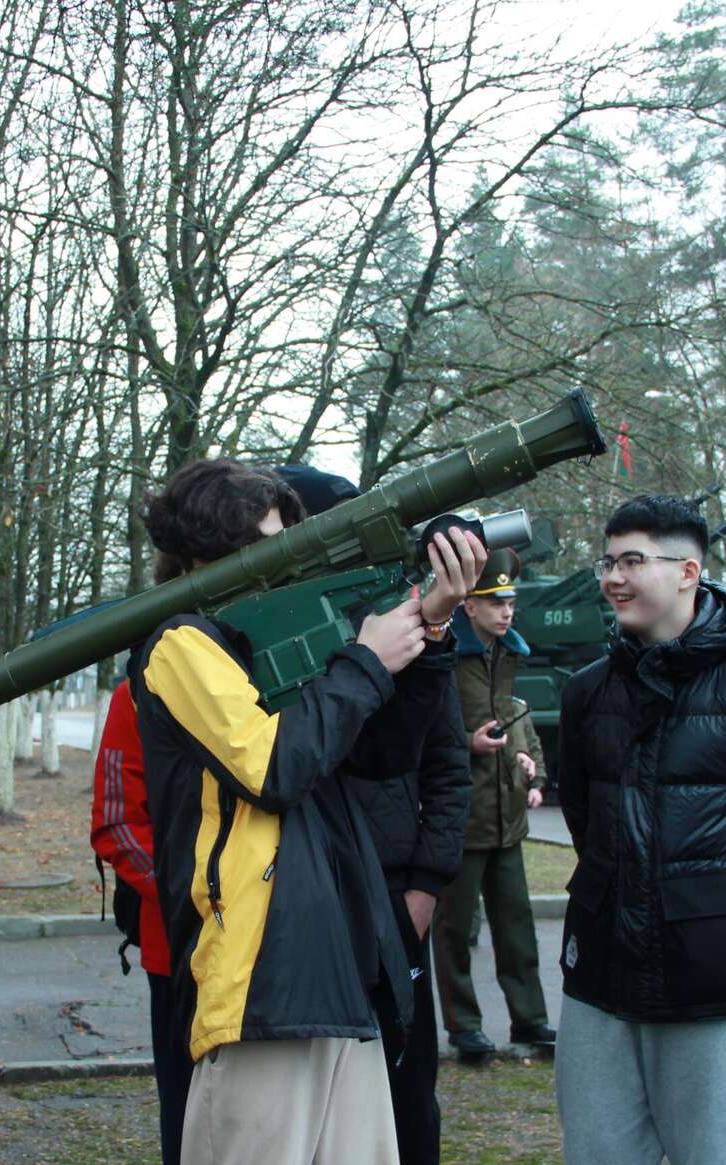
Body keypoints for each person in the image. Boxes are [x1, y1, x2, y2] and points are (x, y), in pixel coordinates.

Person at [129, 457, 482, 1165]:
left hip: (343, 965)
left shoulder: (264, 639)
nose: (289, 558)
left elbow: (381, 756)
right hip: (259, 976)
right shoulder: (180, 644)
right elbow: (273, 765)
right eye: (270, 541)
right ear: (209, 549)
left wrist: (433, 628)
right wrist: (364, 662)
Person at [552, 495, 726, 1165]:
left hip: (717, 984)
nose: (614, 577)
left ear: (688, 571)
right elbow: (586, 821)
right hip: (602, 980)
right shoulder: (586, 692)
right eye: (608, 560)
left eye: (633, 560)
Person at [285, 464, 472, 1165]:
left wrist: (422, 891)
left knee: (403, 1096)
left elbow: (450, 769)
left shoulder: (406, 632)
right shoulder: (270, 634)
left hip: (393, 898)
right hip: (301, 901)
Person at [434, 548, 552, 1060]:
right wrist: (467, 743)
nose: (507, 611)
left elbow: (515, 715)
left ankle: (531, 1021)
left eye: (511, 601)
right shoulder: (442, 657)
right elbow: (424, 734)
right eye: (495, 601)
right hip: (461, 815)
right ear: (470, 607)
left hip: (505, 814)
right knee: (455, 929)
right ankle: (465, 1029)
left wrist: (526, 758)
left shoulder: (508, 653)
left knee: (517, 927)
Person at [89, 678, 190, 1165]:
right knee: (188, 1114)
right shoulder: (137, 692)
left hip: (283, 948)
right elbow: (116, 823)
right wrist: (192, 899)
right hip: (180, 952)